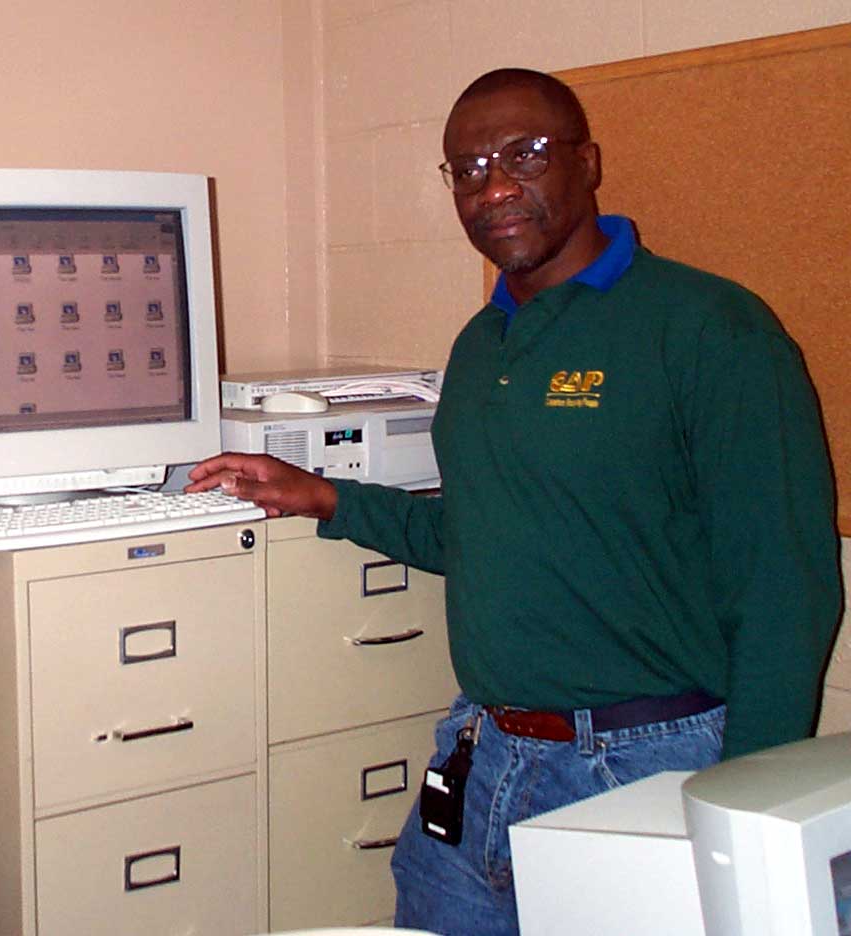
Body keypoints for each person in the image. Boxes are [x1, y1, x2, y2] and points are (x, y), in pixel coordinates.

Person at [187, 68, 842, 935]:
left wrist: (738, 815)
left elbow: (787, 593)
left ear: (588, 160)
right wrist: (325, 498)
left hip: (645, 767)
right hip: (481, 759)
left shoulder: (709, 328)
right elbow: (480, 534)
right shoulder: (481, 343)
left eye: (524, 154)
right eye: (467, 168)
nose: (493, 185)